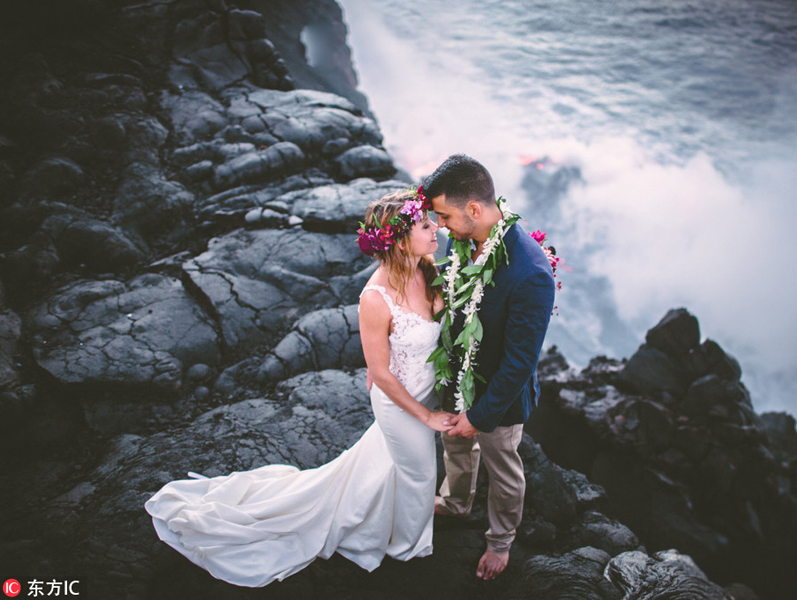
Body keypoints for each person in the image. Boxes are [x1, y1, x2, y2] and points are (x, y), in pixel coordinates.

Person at [144, 189, 454, 587]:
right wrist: (426, 415)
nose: (435, 228)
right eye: (425, 225)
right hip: (399, 401)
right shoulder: (375, 299)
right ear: (397, 240)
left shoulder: (428, 270)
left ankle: (389, 525)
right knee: (420, 474)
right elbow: (379, 371)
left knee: (384, 468)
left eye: (432, 222)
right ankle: (408, 550)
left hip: (425, 388)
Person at [424, 154, 555, 581]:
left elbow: (520, 362)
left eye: (443, 216)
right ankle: (457, 501)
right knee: (456, 446)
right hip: (456, 376)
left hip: (499, 398)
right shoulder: (463, 237)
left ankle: (500, 540)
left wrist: (479, 417)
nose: (440, 226)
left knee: (503, 465)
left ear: (474, 210)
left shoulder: (531, 273)